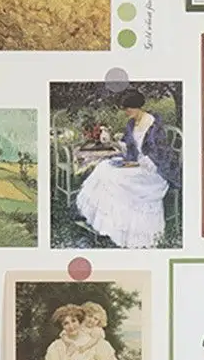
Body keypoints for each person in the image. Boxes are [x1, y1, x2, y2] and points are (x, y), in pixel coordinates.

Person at [75, 88, 181, 248]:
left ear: (137, 106)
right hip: (136, 164)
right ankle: (107, 224)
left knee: (117, 178)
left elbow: (160, 154)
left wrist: (138, 163)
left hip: (153, 171)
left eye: (128, 109)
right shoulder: (131, 123)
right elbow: (129, 147)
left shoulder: (153, 125)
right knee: (103, 168)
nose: (126, 112)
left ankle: (125, 231)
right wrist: (114, 143)